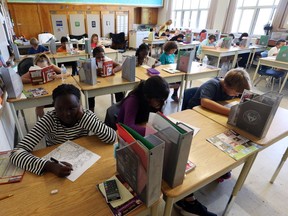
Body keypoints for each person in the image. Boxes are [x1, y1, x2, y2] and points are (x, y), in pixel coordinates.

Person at [10, 84, 117, 177]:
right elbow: (16, 153)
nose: (66, 114)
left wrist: (83, 117)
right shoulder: (49, 119)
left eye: (72, 108)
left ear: (80, 105)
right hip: (57, 163)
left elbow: (111, 138)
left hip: (82, 161)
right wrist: (49, 166)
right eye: (60, 109)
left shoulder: (86, 116)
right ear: (54, 106)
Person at [182, 68, 251, 116]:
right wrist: (232, 112)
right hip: (196, 111)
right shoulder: (212, 84)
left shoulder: (234, 87)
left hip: (211, 112)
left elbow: (247, 94)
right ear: (227, 86)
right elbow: (205, 102)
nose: (236, 95)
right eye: (236, 93)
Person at [21, 53, 64, 118]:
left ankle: (60, 118)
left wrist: (57, 76)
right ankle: (43, 120)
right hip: (41, 92)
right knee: (39, 107)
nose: (42, 69)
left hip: (53, 91)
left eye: (44, 67)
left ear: (48, 64)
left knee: (62, 102)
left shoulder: (51, 66)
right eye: (39, 68)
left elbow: (65, 73)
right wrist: (32, 80)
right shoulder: (33, 70)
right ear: (36, 65)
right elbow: (21, 79)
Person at [88, 46, 124, 112]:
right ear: (94, 57)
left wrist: (113, 70)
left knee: (118, 89)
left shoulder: (107, 59)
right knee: (90, 95)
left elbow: (119, 66)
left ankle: (120, 110)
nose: (101, 59)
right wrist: (96, 71)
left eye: (102, 56)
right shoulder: (91, 62)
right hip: (96, 84)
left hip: (108, 83)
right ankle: (91, 111)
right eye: (98, 57)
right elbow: (86, 72)